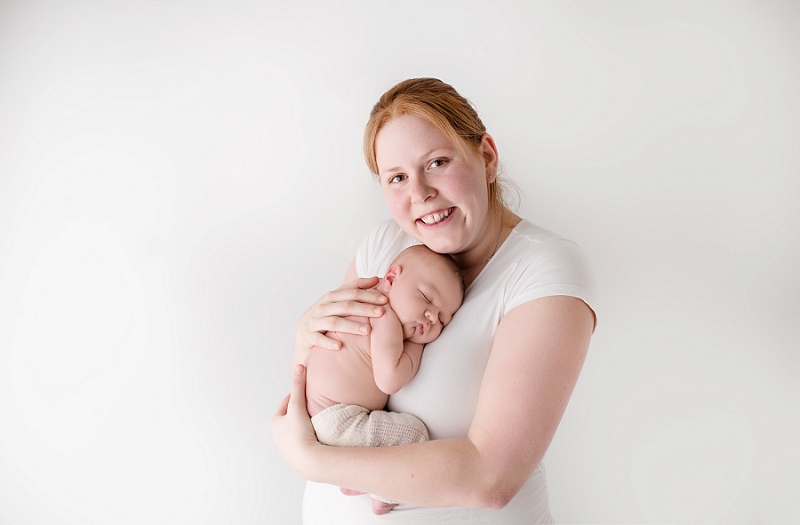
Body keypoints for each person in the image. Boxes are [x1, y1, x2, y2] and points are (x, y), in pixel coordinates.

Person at [272, 77, 596, 524]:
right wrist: (301, 336)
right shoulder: (384, 247)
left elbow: (491, 478)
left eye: (438, 162)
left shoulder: (543, 268)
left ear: (486, 157)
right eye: (397, 177)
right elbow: (329, 378)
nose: (419, 193)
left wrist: (309, 460)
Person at [305, 244, 464, 515]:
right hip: (339, 419)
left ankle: (355, 480)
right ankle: (383, 495)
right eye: (426, 298)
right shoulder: (384, 315)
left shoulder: (362, 299)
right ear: (390, 278)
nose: (432, 317)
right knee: (414, 435)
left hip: (325, 417)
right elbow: (389, 380)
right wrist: (416, 348)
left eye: (443, 319)